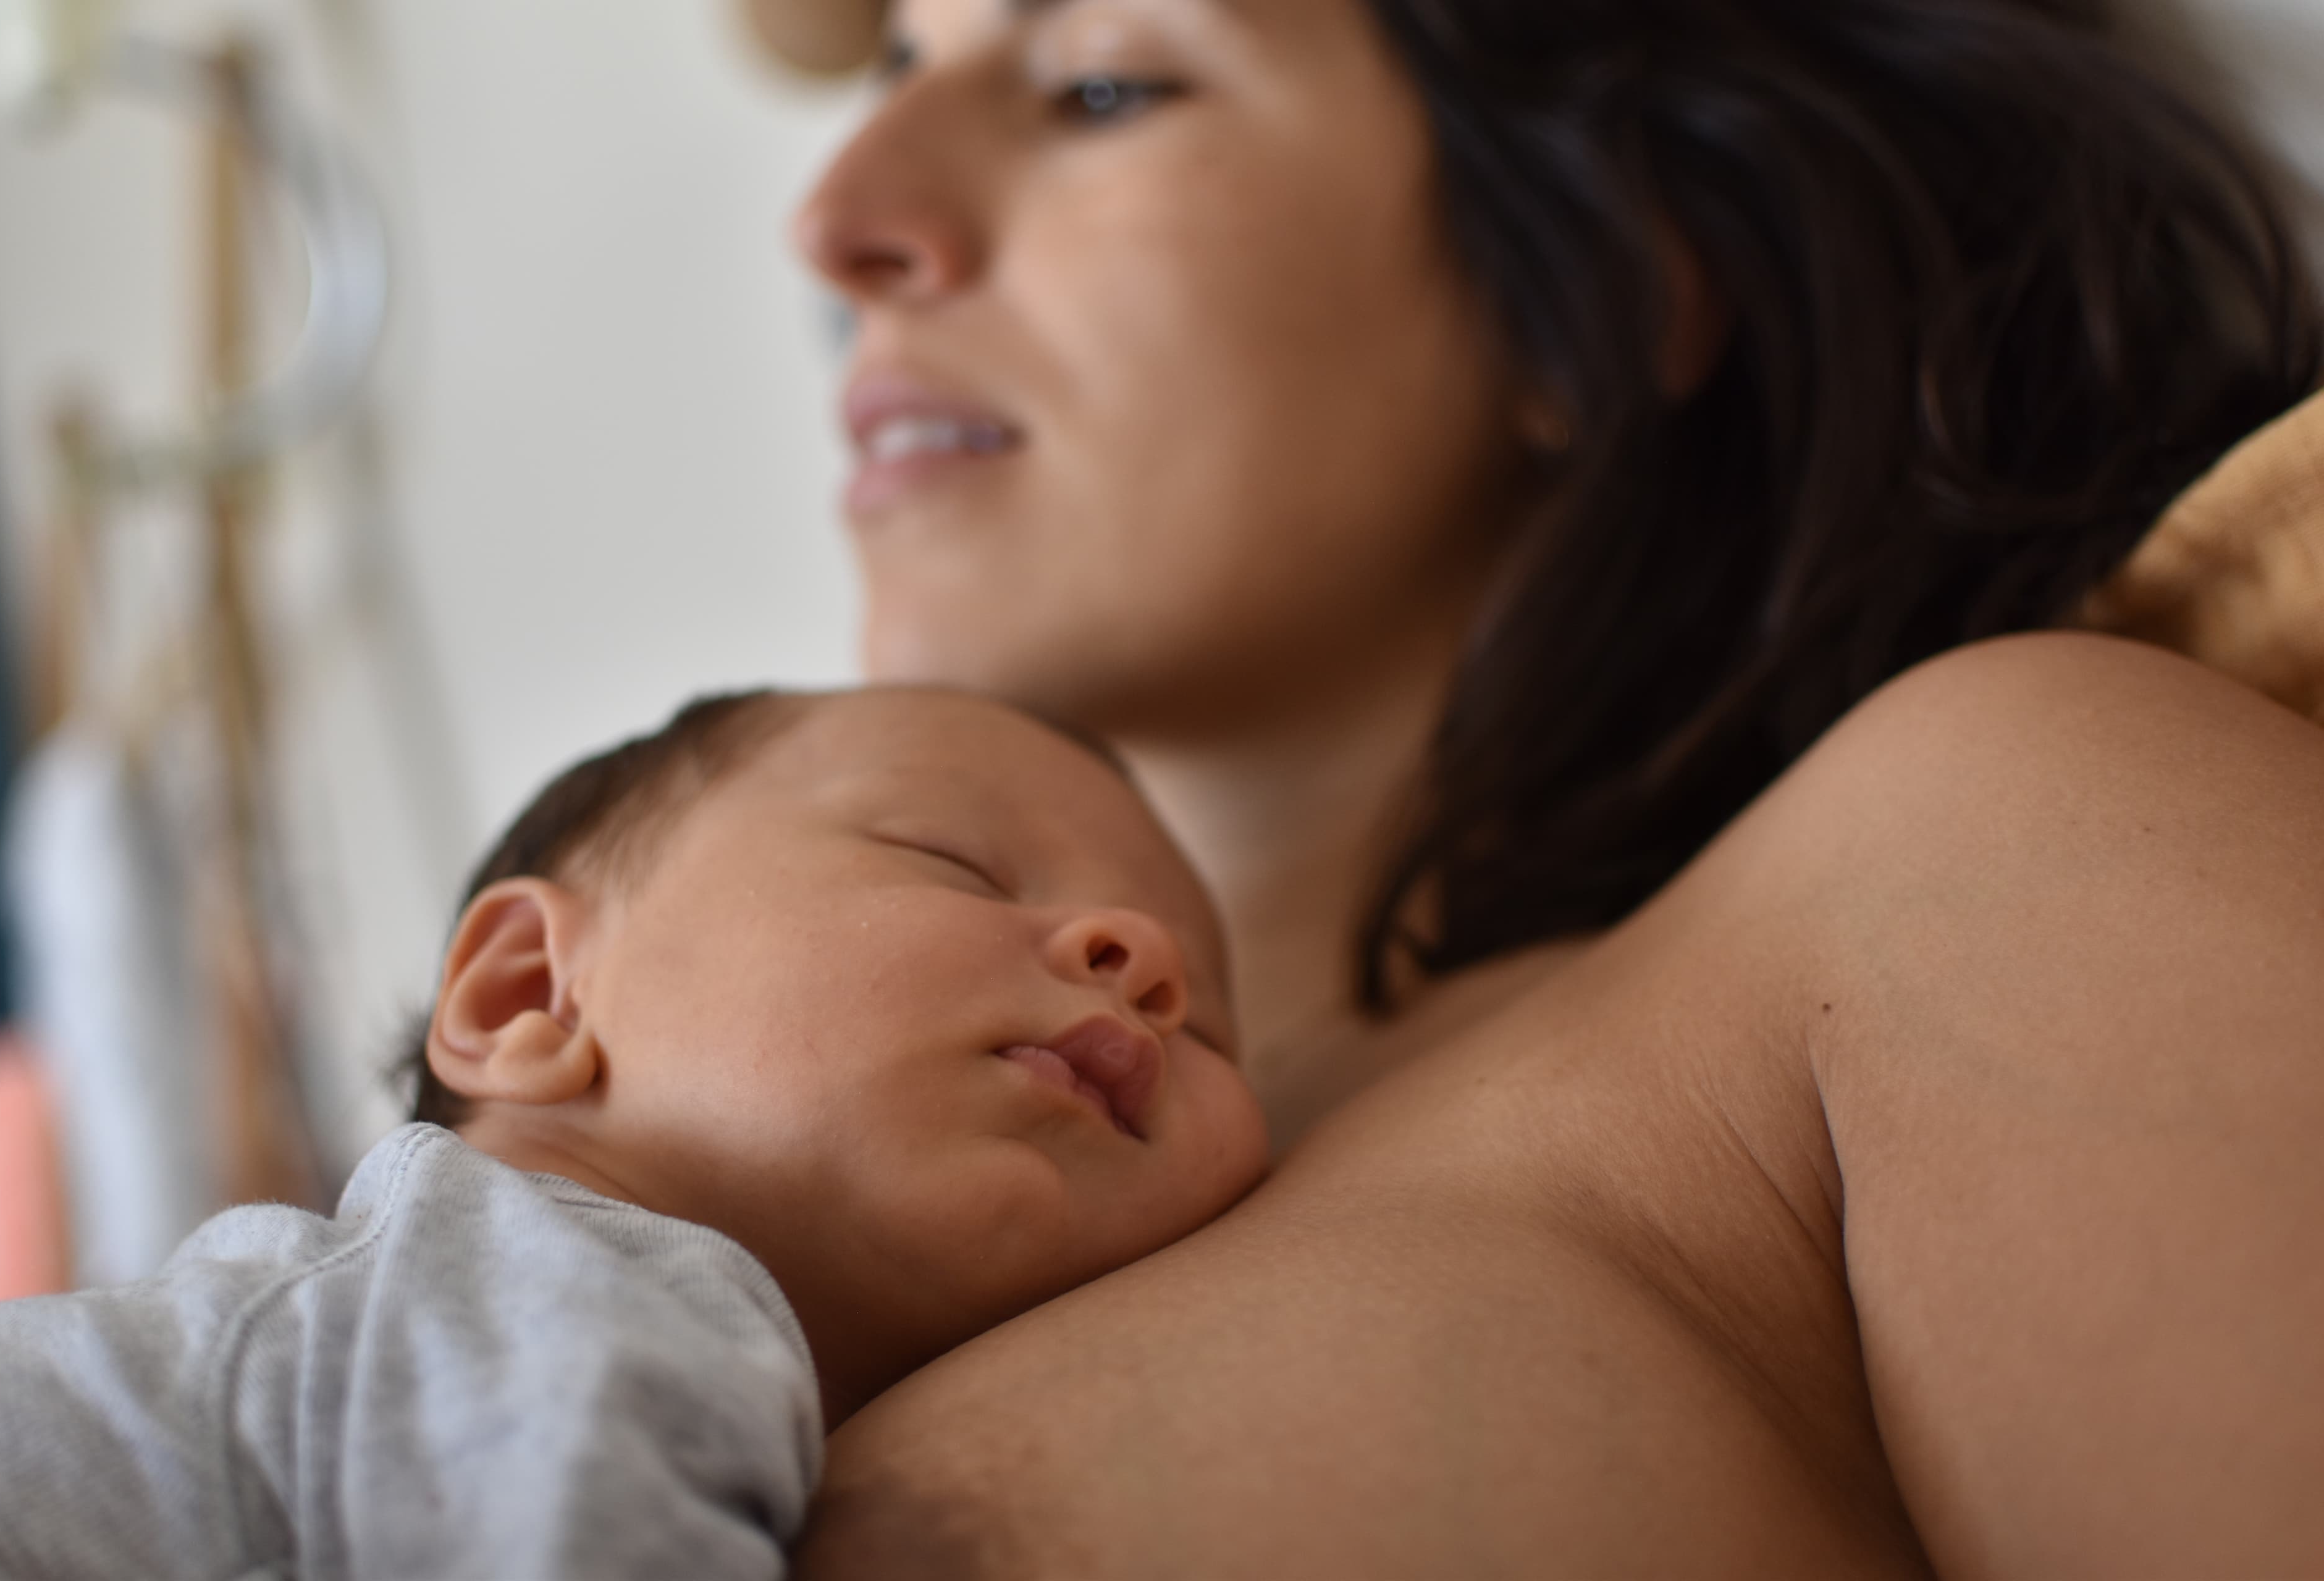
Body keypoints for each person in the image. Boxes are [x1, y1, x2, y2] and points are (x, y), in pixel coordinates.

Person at [764, 0, 2324, 1574]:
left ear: (1608, 280)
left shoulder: (1980, 846)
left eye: (1104, 82)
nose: (833, 219)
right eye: (897, 63)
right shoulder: (680, 1093)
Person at [0, 687, 1266, 1580]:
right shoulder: (555, 1266)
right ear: (530, 998)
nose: (1141, 963)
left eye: (1203, 1026)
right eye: (959, 862)